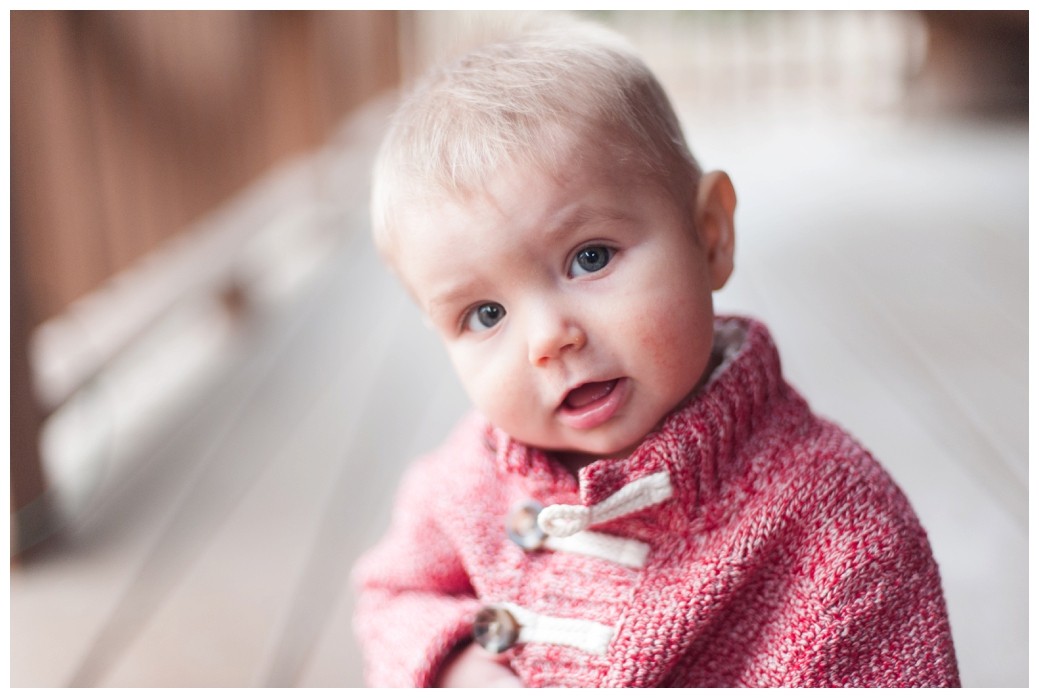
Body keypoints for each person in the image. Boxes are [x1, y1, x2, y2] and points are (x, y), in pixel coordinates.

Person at [351, 16, 959, 688]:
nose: (548, 339)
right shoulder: (469, 476)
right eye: (484, 313)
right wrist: (461, 663)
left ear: (710, 236)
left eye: (589, 257)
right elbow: (390, 595)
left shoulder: (837, 524)